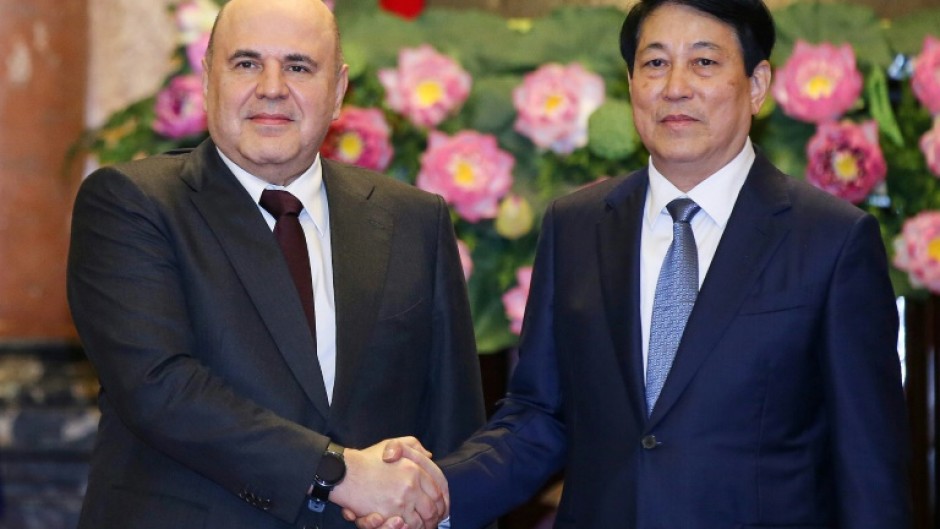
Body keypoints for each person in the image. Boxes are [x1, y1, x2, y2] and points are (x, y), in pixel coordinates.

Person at [364, 1, 912, 528]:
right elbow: (539, 417)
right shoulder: (575, 225)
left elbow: (868, 463)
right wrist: (435, 496)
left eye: (704, 61)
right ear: (631, 85)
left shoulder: (832, 240)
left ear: (758, 85)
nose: (675, 86)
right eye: (654, 63)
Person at [66, 0, 485, 528]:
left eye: (298, 66)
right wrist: (337, 472)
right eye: (245, 63)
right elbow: (159, 386)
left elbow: (454, 422)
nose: (271, 87)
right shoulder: (133, 203)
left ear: (337, 91)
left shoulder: (414, 219)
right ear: (207, 79)